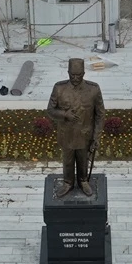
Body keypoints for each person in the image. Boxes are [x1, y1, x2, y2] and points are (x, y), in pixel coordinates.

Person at [46, 58, 104, 198]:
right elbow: (50, 110)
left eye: (78, 75)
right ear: (68, 73)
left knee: (83, 160)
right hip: (67, 135)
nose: (75, 78)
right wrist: (65, 114)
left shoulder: (93, 89)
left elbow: (100, 114)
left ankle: (83, 181)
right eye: (72, 75)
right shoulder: (59, 88)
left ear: (84, 73)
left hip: (85, 135)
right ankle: (68, 182)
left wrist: (96, 137)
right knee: (68, 161)